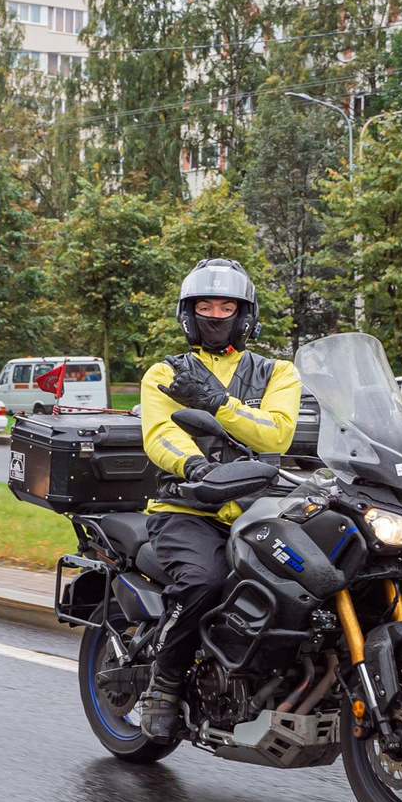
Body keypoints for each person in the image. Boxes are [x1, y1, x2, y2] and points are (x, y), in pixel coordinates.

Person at [135, 259, 302, 740]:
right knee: (205, 581)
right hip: (188, 507)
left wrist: (217, 403)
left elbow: (276, 435)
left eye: (225, 306)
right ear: (188, 314)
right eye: (204, 306)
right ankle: (165, 683)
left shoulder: (278, 372)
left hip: (263, 507)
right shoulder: (165, 372)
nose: (214, 315)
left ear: (244, 314)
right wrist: (195, 466)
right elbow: (161, 433)